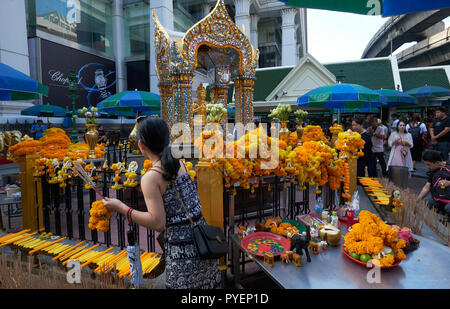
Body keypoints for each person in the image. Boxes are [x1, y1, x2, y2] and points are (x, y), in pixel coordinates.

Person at [102, 117, 221, 289]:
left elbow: (158, 223)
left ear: (141, 145)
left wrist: (122, 208)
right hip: (203, 243)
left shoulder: (151, 178)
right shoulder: (180, 163)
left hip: (183, 254)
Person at [417, 150, 450, 216]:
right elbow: (427, 187)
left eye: (429, 164)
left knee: (448, 208)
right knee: (427, 202)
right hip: (440, 198)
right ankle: (445, 214)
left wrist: (448, 183)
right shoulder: (434, 171)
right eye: (426, 164)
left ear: (437, 163)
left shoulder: (448, 168)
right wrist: (417, 200)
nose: (427, 167)